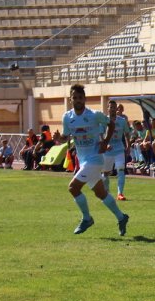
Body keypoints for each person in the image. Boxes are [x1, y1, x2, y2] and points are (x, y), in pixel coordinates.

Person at [55, 84, 129, 236]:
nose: (78, 100)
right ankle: (122, 217)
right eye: (75, 97)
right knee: (101, 193)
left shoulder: (94, 115)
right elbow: (66, 136)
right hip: (83, 160)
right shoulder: (67, 117)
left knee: (73, 188)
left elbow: (111, 123)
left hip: (95, 159)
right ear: (71, 99)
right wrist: (59, 139)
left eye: (80, 97)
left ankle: (87, 219)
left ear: (85, 99)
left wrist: (105, 142)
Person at [101, 103, 130, 201]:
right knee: (105, 173)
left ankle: (120, 193)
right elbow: (100, 134)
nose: (112, 109)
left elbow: (126, 133)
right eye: (110, 107)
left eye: (114, 107)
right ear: (108, 109)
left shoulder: (122, 121)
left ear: (116, 109)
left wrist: (128, 146)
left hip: (119, 149)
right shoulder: (104, 120)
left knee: (121, 169)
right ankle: (107, 192)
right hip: (107, 150)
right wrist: (105, 143)